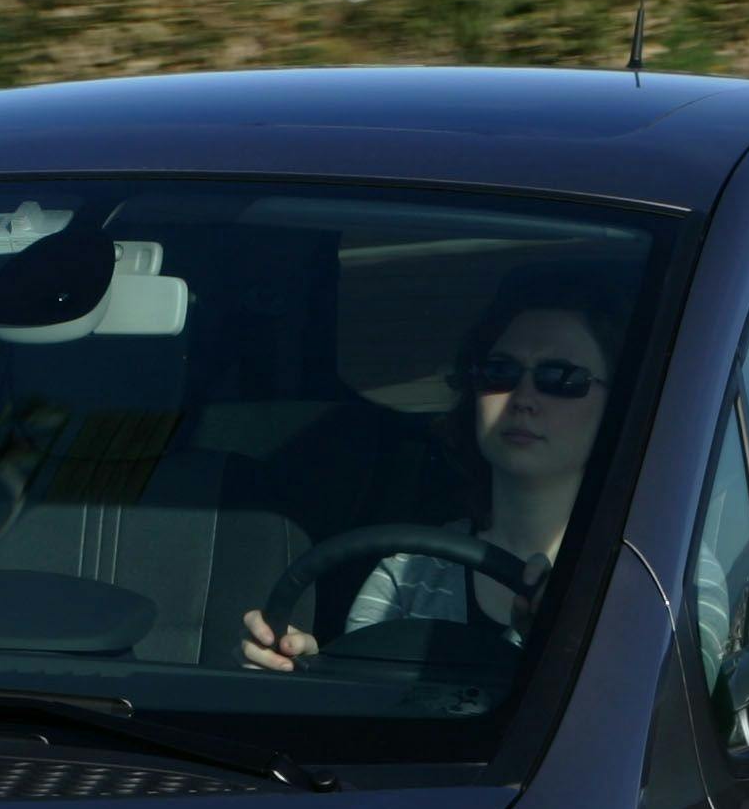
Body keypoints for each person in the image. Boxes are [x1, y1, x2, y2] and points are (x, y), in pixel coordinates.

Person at [237, 272, 628, 671]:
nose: (523, 397)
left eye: (560, 378)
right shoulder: (409, 568)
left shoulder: (654, 577)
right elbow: (366, 713)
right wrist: (305, 673)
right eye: (500, 372)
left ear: (618, 406)